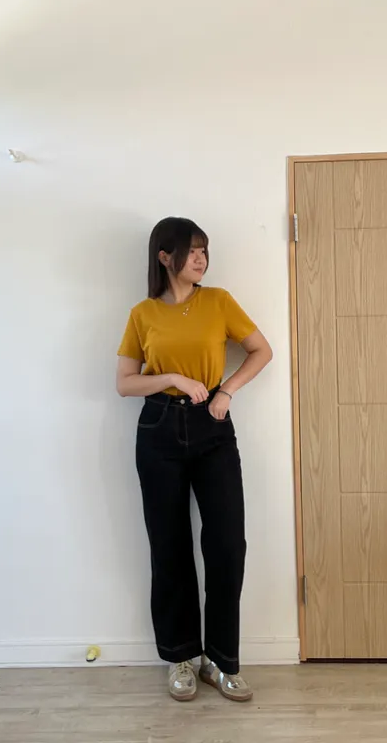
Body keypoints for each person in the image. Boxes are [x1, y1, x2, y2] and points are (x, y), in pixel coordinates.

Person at [116, 217, 272, 702]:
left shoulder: (219, 301)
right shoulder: (143, 313)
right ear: (165, 257)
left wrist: (225, 391)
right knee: (169, 546)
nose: (201, 258)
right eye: (192, 250)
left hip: (212, 426)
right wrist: (172, 379)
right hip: (158, 428)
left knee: (227, 544)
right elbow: (125, 383)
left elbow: (261, 351)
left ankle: (221, 661)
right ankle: (180, 657)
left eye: (205, 250)